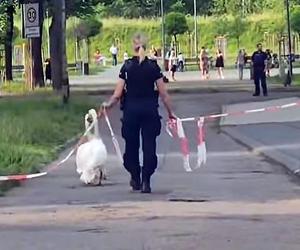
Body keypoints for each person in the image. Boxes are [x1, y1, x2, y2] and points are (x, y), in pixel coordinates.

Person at [100, 33, 175, 193]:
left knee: (131, 147)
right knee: (149, 146)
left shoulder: (127, 67)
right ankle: (146, 179)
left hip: (130, 112)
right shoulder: (153, 67)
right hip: (150, 111)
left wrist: (108, 105)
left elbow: (117, 94)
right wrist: (171, 113)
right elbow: (163, 94)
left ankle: (135, 176)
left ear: (133, 47)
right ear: (146, 47)